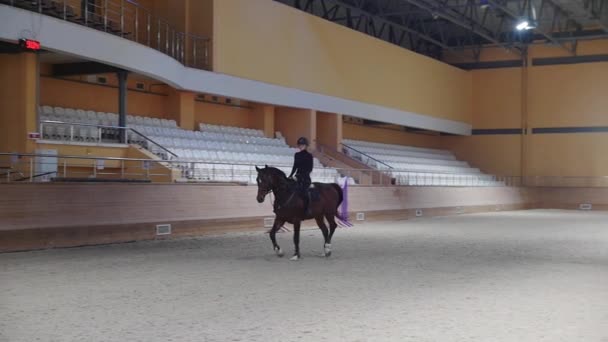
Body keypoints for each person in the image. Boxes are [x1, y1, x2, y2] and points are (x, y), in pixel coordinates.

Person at [289, 137, 314, 216]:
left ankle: (307, 209)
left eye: (302, 145)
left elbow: (310, 169)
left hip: (305, 177)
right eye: (300, 145)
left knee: (304, 192)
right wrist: (290, 175)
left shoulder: (309, 156)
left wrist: (301, 176)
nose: (301, 146)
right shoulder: (296, 155)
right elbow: (294, 166)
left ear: (306, 146)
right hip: (297, 176)